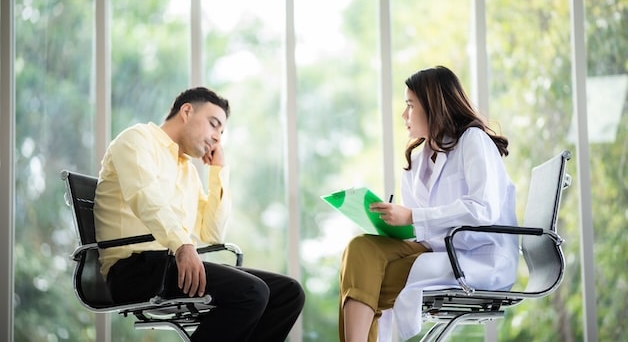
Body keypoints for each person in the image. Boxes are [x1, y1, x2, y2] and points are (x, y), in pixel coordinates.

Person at [94, 86, 305, 342]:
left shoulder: (188, 172)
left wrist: (219, 171)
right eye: (213, 124)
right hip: (131, 269)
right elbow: (145, 196)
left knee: (288, 293)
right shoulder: (137, 139)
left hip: (168, 266)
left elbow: (212, 232)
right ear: (186, 111)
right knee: (252, 292)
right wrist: (183, 245)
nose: (217, 138)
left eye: (222, 132)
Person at [338, 66, 519, 341]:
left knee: (365, 278)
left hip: (477, 258)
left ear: (434, 106)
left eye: (410, 105)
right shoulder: (416, 161)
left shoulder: (473, 141)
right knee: (359, 247)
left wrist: (412, 216)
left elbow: (483, 209)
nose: (403, 115)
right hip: (434, 250)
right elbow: (421, 230)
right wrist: (390, 225)